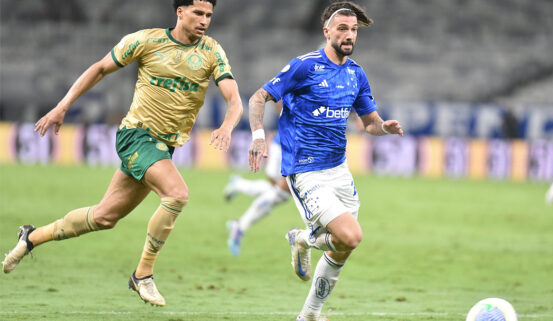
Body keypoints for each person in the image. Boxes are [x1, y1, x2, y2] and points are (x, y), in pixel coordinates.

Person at [2, 0, 243, 307]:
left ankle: (31, 237)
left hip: (162, 146)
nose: (204, 20)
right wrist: (63, 106)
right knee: (177, 194)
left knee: (104, 217)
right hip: (137, 136)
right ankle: (142, 275)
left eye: (209, 14)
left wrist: (227, 125)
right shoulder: (146, 40)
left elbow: (234, 99)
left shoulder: (211, 51)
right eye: (198, 13)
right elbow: (100, 68)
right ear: (180, 11)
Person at [247, 2, 404, 320]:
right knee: (352, 236)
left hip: (339, 170)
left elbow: (369, 122)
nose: (349, 35)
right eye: (342, 28)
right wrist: (258, 135)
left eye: (354, 30)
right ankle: (301, 237)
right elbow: (259, 97)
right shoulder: (304, 66)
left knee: (341, 250)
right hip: (305, 170)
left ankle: (307, 316)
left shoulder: (355, 74)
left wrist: (383, 127)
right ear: (327, 32)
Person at [224, 130, 291, 256]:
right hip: (288, 145)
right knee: (282, 192)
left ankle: (239, 184)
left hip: (291, 144)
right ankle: (239, 227)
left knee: (276, 189)